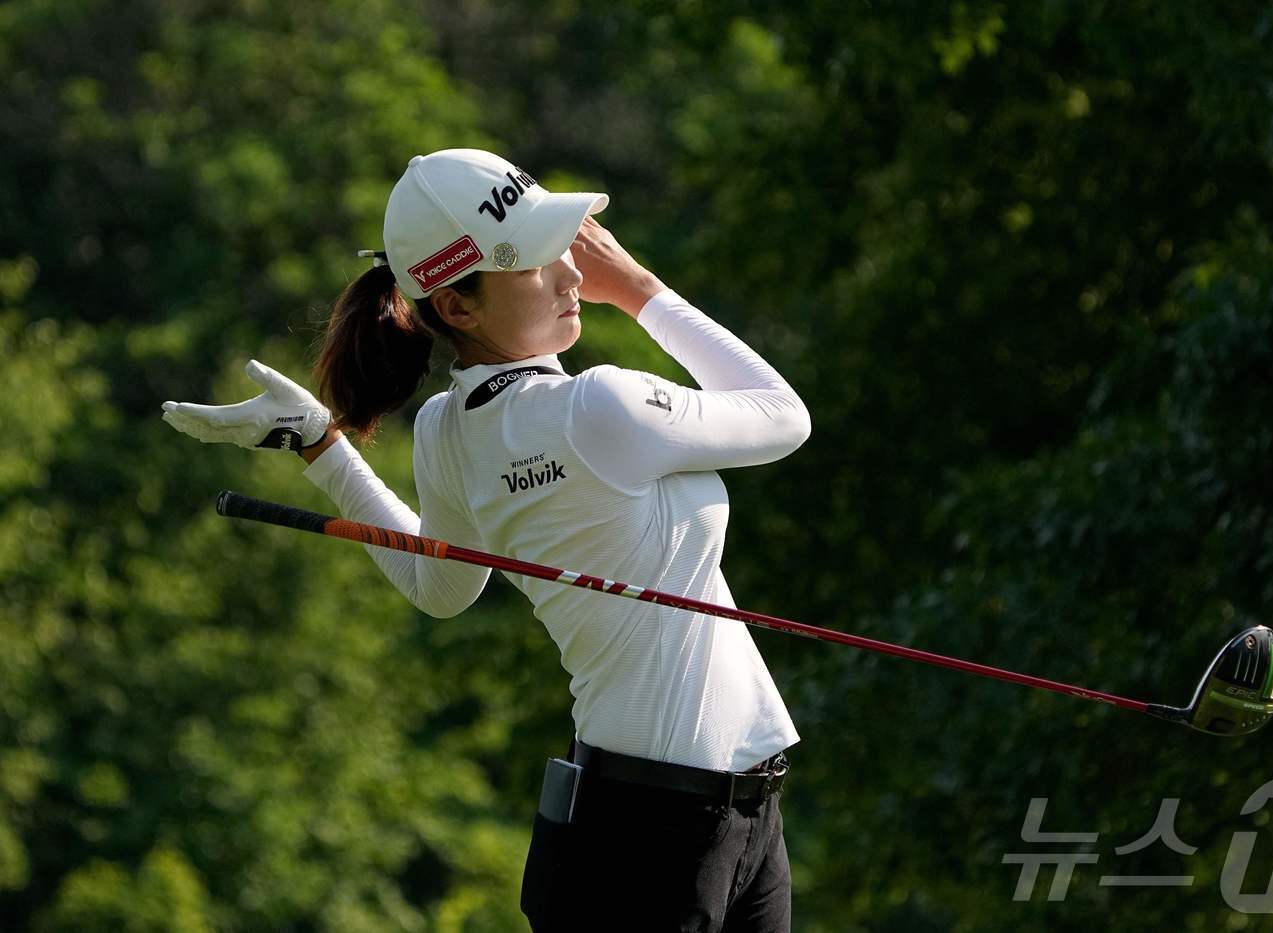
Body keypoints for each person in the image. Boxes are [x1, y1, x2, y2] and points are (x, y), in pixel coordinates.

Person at [160, 148, 810, 932]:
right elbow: (785, 415)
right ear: (459, 309)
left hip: (723, 813)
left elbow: (440, 585)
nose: (574, 274)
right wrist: (639, 290)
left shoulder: (448, 429)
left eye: (566, 250)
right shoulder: (599, 405)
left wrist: (321, 446)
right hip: (651, 834)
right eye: (538, 265)